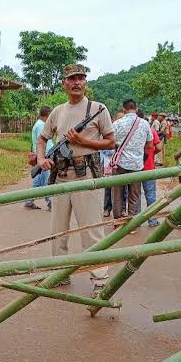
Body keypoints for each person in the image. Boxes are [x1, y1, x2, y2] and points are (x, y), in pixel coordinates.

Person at [37, 64, 115, 295]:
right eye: (72, 79)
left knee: (91, 230)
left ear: (86, 83)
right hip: (61, 176)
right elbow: (43, 139)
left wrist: (83, 141)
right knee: (58, 230)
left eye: (81, 78)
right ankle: (59, 272)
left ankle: (100, 279)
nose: (76, 82)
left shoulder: (98, 109)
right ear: (64, 83)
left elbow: (110, 142)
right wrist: (42, 158)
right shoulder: (58, 111)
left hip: (87, 177)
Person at [110, 100, 153, 222]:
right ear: (136, 108)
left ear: (123, 109)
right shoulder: (145, 124)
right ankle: (132, 223)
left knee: (117, 195)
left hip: (119, 164)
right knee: (134, 195)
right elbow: (150, 145)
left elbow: (110, 143)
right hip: (137, 165)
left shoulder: (117, 123)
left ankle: (118, 221)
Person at [25, 106, 53, 210]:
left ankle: (29, 201)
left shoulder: (39, 124)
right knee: (46, 181)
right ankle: (50, 202)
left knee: (38, 181)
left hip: (41, 156)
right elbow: (43, 143)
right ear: (48, 114)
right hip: (44, 157)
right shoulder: (41, 126)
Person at [138, 109, 162, 227]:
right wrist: (152, 153)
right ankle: (152, 220)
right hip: (149, 167)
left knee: (135, 196)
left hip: (135, 168)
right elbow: (159, 147)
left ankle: (135, 223)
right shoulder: (151, 131)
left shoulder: (133, 132)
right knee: (151, 195)